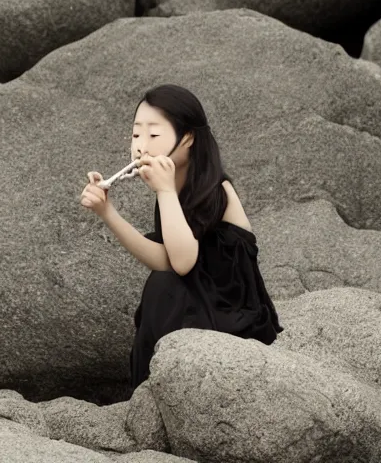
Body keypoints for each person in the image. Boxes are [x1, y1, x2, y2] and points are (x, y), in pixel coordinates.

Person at [79, 84, 282, 387]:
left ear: (187, 138)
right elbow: (165, 260)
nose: (141, 146)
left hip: (234, 315)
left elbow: (184, 263)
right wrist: (107, 212)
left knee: (166, 288)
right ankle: (150, 388)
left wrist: (164, 190)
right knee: (161, 284)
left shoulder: (216, 190)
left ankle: (165, 385)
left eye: (154, 135)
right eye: (136, 135)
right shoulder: (172, 189)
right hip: (199, 307)